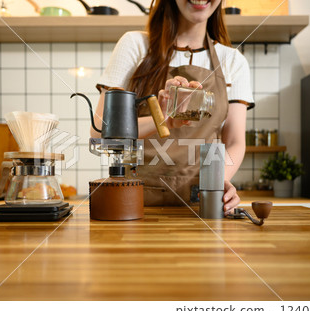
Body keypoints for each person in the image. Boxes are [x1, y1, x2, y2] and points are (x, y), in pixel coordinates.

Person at [91, 0, 254, 214]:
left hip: (201, 210)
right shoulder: (134, 45)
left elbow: (234, 142)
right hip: (132, 206)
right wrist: (162, 121)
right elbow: (99, 133)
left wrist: (218, 182)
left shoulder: (233, 61)